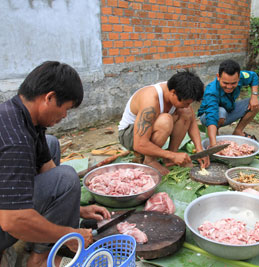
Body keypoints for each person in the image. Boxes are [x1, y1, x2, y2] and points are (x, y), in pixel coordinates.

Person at [0, 61, 111, 267]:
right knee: (67, 176)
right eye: (66, 109)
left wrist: (76, 208)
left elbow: (48, 168)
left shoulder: (20, 114)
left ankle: (38, 240)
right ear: (49, 97)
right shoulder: (15, 140)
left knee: (51, 145)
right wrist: (69, 234)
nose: (64, 117)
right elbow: (11, 220)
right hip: (7, 219)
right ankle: (40, 259)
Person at [118, 70, 210, 175]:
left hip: (149, 132)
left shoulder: (178, 89)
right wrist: (171, 155)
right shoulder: (151, 100)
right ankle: (150, 160)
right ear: (173, 93)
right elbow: (139, 144)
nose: (188, 105)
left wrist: (200, 149)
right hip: (129, 135)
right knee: (165, 120)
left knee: (186, 112)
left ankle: (170, 158)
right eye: (186, 103)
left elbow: (192, 121)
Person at [197, 59, 259, 147]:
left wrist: (254, 96)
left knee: (256, 104)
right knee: (221, 112)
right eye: (225, 83)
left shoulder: (241, 76)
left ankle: (238, 131)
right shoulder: (211, 91)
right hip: (208, 116)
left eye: (233, 83)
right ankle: (215, 135)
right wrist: (213, 144)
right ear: (218, 77)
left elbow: (254, 76)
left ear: (238, 78)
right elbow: (211, 116)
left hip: (229, 109)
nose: (229, 87)